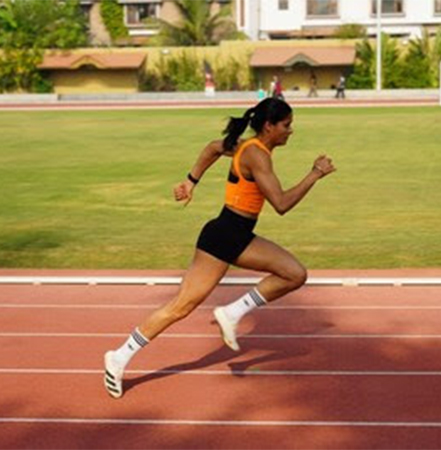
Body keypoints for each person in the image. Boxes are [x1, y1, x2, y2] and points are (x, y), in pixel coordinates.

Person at [103, 98, 336, 399]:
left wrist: (190, 181)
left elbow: (214, 147)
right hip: (223, 237)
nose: (291, 131)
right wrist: (315, 174)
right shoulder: (257, 156)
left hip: (237, 234)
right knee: (181, 306)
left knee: (294, 273)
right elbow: (281, 204)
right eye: (287, 125)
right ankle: (119, 356)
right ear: (269, 126)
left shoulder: (247, 148)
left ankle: (232, 311)